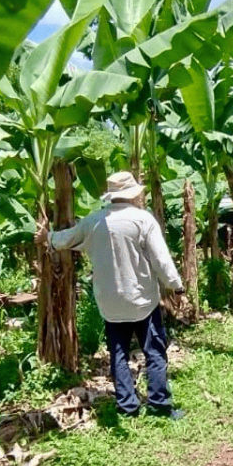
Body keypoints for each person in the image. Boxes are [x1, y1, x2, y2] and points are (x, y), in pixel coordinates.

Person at [50, 172, 186, 420]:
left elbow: (65, 239)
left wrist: (47, 238)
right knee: (154, 351)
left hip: (110, 302)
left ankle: (127, 406)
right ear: (133, 194)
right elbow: (161, 259)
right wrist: (176, 286)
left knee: (119, 354)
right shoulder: (142, 220)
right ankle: (159, 404)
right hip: (142, 300)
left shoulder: (94, 221)